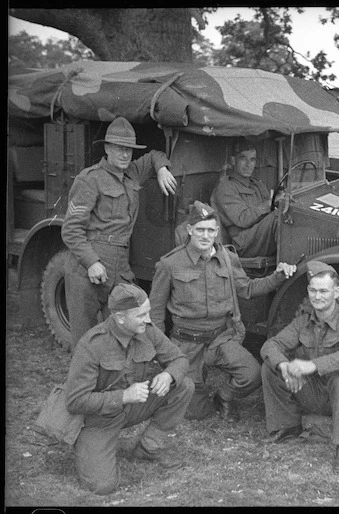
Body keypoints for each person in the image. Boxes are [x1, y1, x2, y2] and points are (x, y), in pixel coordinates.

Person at [149, 201, 296, 422]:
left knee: (252, 375)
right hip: (186, 342)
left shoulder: (227, 258)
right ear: (189, 230)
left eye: (210, 230)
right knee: (196, 413)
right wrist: (163, 353)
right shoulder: (170, 264)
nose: (205, 235)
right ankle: (194, 382)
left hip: (220, 339)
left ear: (217, 232)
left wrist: (278, 276)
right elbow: (156, 313)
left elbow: (247, 288)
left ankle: (224, 396)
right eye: (200, 230)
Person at [65, 283, 194, 495]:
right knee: (103, 486)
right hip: (99, 420)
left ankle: (148, 448)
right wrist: (124, 395)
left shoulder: (147, 331)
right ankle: (85, 444)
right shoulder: (91, 345)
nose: (148, 319)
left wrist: (168, 374)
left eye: (148, 312)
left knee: (182, 385)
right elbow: (75, 401)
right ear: (120, 317)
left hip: (133, 407)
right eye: (141, 315)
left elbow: (179, 359)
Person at [61, 116, 177, 351]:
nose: (125, 155)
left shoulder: (132, 173)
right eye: (120, 149)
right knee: (85, 342)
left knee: (117, 336)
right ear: (107, 149)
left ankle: (111, 386)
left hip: (119, 266)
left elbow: (155, 154)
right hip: (87, 268)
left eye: (129, 150)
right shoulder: (90, 179)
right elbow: (71, 229)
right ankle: (81, 386)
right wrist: (91, 262)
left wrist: (162, 168)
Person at [259, 261, 339, 473]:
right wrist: (283, 365)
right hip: (312, 391)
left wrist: (312, 365)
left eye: (324, 291)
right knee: (270, 367)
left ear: (336, 292)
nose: (317, 297)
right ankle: (286, 425)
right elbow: (271, 345)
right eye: (313, 290)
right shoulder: (304, 320)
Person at [210, 142, 279, 257]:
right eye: (243, 159)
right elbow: (242, 219)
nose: (248, 164)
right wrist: (269, 204)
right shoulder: (226, 187)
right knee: (278, 218)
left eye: (252, 160)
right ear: (233, 161)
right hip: (243, 243)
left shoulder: (257, 184)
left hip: (259, 235)